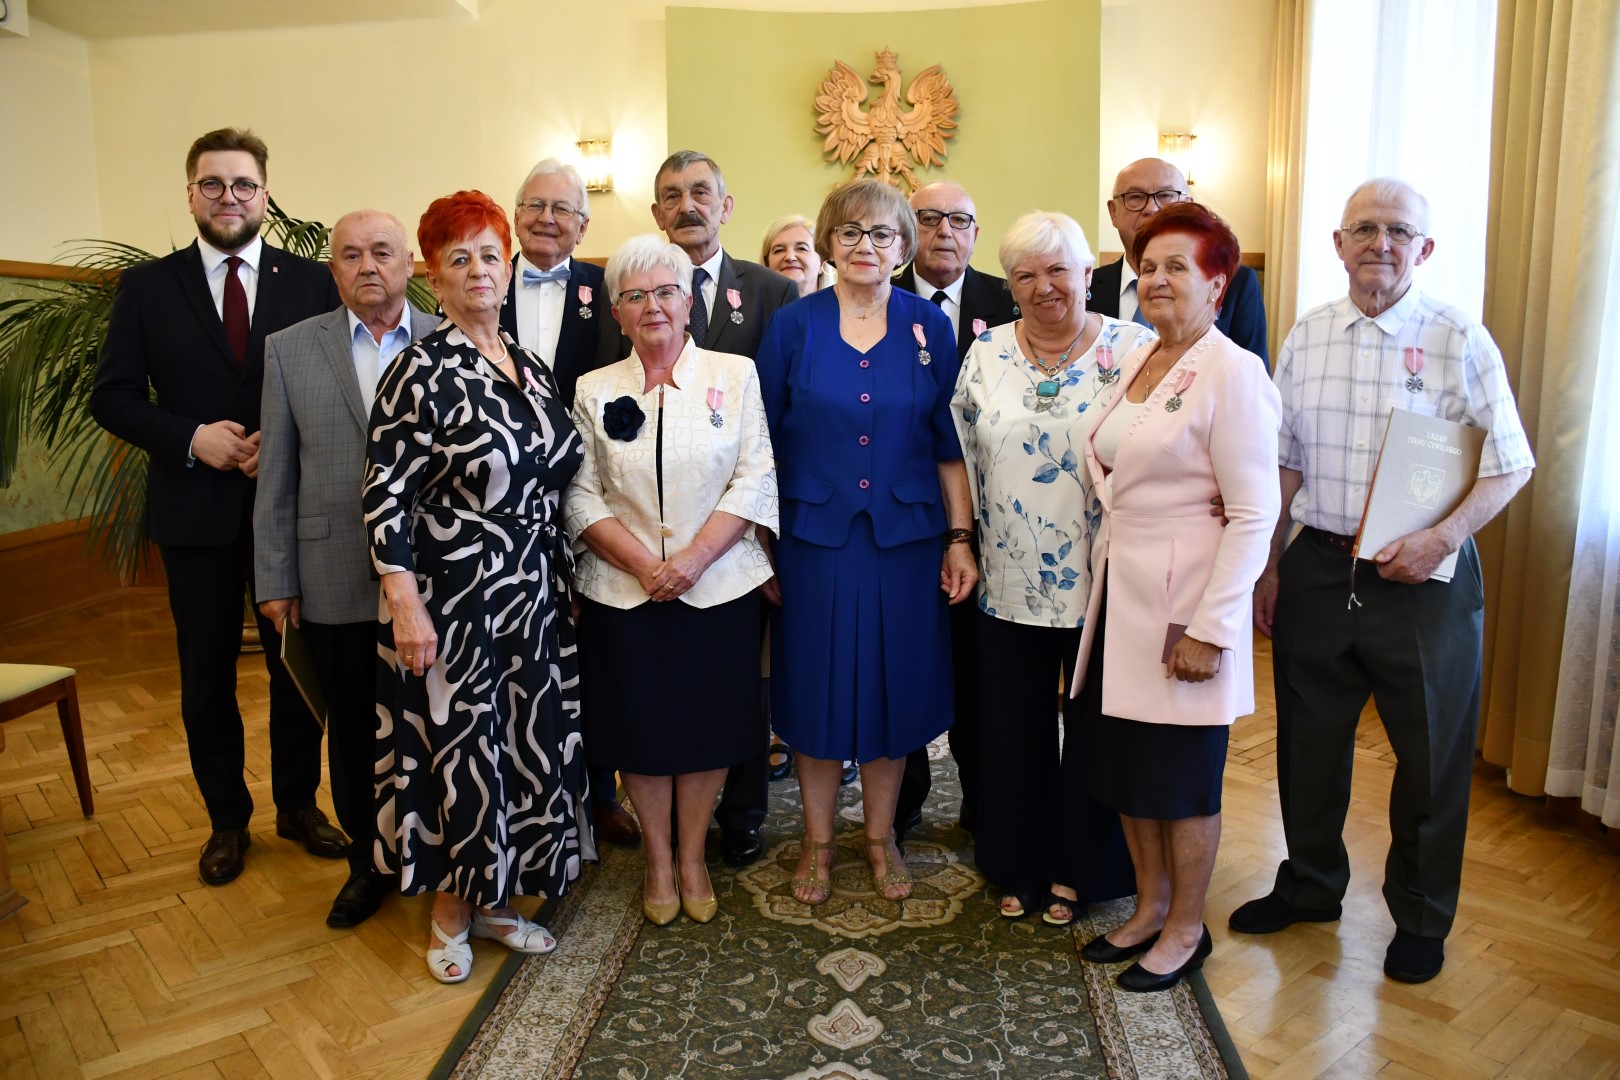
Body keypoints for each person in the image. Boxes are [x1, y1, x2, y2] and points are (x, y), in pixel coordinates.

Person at [1232, 179, 1534, 984]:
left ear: (1424, 249)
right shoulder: (1307, 335)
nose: (1380, 243)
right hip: (1320, 568)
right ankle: (1310, 884)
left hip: (1424, 580)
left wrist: (1441, 539)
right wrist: (1270, 563)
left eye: (1399, 231)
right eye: (1363, 228)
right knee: (1308, 746)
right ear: (1338, 244)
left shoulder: (1458, 338)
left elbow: (1510, 463)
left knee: (1431, 756)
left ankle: (1422, 918)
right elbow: (1284, 460)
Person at [89, 127, 345, 887]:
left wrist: (288, 445)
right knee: (205, 678)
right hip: (194, 514)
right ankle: (226, 820)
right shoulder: (147, 288)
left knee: (296, 669)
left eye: (242, 184)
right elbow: (113, 397)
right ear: (191, 194)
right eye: (212, 184)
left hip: (290, 512)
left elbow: (339, 385)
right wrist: (191, 437)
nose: (228, 197)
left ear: (265, 195)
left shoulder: (313, 283)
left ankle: (297, 805)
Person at [363, 191, 592, 984]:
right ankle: (450, 912)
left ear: (508, 264)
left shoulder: (528, 365)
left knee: (520, 748)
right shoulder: (418, 370)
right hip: (453, 597)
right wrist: (405, 605)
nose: (478, 271)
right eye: (458, 259)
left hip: (532, 591)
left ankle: (496, 902)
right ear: (434, 277)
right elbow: (384, 495)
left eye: (490, 254)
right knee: (462, 751)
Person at [1073, 202, 1280, 993]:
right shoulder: (1141, 356)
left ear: (1217, 284)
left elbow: (1254, 513)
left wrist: (1212, 628)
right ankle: (1149, 905)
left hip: (1184, 611)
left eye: (1177, 267)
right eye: (1148, 266)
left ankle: (1187, 929)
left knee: (1182, 782)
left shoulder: (1235, 372)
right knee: (1130, 773)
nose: (1157, 279)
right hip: (1120, 600)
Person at [756, 179, 977, 907]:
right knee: (815, 692)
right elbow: (760, 446)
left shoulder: (929, 327)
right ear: (828, 241)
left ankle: (881, 839)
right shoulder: (793, 325)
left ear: (903, 246)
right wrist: (760, 546)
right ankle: (818, 844)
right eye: (850, 232)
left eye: (882, 234)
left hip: (906, 541)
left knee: (893, 692)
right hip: (812, 541)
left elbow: (949, 445)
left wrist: (959, 539)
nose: (865, 246)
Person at [565, 234, 778, 926]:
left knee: (709, 727)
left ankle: (692, 857)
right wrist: (642, 564)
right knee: (641, 730)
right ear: (618, 314)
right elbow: (579, 493)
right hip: (622, 591)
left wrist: (693, 561)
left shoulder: (735, 375)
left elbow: (755, 476)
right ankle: (658, 859)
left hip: (717, 586)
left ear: (689, 303)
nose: (652, 306)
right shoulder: (594, 389)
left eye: (666, 292)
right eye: (635, 296)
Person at [951, 211, 1151, 925]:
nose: (1044, 287)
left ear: (1087, 274)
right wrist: (960, 539)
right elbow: (956, 452)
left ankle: (1081, 869)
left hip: (1108, 576)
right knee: (1013, 731)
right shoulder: (986, 351)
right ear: (1009, 285)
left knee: (1097, 731)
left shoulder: (1136, 349)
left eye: (1058, 270)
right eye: (1025, 275)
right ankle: (1021, 863)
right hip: (1007, 576)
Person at [254, 210, 437, 928]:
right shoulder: (290, 350)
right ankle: (368, 864)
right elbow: (276, 476)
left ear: (409, 265)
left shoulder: (447, 340)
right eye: (352, 255)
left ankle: (434, 856)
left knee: (430, 725)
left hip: (432, 575)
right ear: (333, 271)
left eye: (382, 252)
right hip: (331, 572)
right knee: (355, 731)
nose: (368, 266)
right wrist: (275, 579)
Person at [648, 150, 800, 869]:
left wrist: (767, 539)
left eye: (701, 192)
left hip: (745, 533)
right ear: (656, 213)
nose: (688, 206)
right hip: (655, 538)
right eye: (673, 195)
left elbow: (786, 424)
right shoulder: (635, 289)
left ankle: (741, 813)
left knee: (743, 680)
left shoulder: (772, 293)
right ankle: (674, 821)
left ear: (726, 206)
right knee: (670, 680)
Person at [498, 157, 639, 849]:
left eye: (563, 209)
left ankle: (598, 793)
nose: (547, 219)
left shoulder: (606, 291)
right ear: (514, 215)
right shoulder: (482, 283)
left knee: (594, 650)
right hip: (500, 507)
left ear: (583, 226)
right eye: (535, 205)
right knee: (516, 655)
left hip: (591, 494)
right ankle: (520, 796)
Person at [892, 180, 1019, 838]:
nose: (945, 231)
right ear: (906, 230)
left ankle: (983, 795)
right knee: (905, 660)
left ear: (976, 232)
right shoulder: (876, 299)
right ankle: (904, 796)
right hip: (902, 514)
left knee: (979, 670)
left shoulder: (1009, 300)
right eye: (930, 218)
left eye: (960, 220)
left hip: (993, 520)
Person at [1089, 158, 1269, 368]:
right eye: (1135, 197)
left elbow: (1253, 371)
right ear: (1113, 212)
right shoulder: (1088, 287)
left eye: (1166, 195)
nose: (1151, 209)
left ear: (1188, 206)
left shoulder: (1235, 282)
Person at [761, 214, 827, 297]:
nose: (790, 257)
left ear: (821, 262)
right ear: (767, 263)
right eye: (779, 250)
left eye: (802, 248)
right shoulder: (749, 305)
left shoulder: (840, 305)